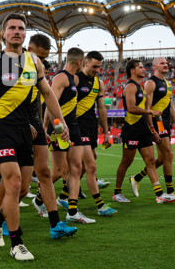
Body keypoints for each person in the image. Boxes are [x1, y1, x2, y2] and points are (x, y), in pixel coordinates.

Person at [0, 14, 69, 261]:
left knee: (24, 188)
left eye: (21, 28)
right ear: (3, 34)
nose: (17, 31)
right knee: (14, 183)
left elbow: (48, 95)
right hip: (1, 129)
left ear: (25, 34)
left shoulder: (34, 62)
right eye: (12, 28)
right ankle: (17, 243)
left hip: (27, 131)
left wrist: (60, 122)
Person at [26, 34, 79, 237]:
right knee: (19, 184)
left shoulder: (38, 73)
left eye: (44, 58)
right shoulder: (13, 69)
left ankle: (56, 224)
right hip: (15, 127)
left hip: (36, 127)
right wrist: (31, 124)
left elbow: (43, 100)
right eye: (39, 56)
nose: (41, 61)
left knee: (47, 173)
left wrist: (42, 127)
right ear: (30, 51)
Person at [112, 59, 175, 204]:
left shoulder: (140, 87)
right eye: (140, 67)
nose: (143, 69)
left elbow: (144, 109)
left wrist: (152, 128)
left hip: (143, 129)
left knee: (150, 161)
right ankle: (117, 192)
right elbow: (131, 107)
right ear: (132, 71)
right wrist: (150, 111)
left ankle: (160, 194)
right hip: (131, 129)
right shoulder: (130, 87)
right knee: (126, 161)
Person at [48, 48, 98, 224]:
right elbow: (50, 104)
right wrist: (53, 129)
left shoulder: (74, 79)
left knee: (76, 168)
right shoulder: (61, 77)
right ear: (79, 62)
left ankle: (73, 211)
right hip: (60, 129)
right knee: (58, 171)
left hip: (74, 128)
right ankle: (39, 198)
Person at [129, 57, 175, 201]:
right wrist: (151, 126)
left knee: (162, 159)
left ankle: (136, 178)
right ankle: (170, 191)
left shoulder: (168, 84)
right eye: (162, 63)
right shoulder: (150, 83)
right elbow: (147, 107)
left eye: (166, 63)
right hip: (156, 122)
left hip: (165, 122)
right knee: (169, 154)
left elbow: (171, 107)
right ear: (155, 66)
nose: (166, 65)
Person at [75, 51, 117, 217]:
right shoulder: (76, 79)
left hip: (90, 126)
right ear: (85, 63)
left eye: (99, 67)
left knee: (83, 166)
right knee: (89, 166)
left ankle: (64, 195)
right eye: (94, 66)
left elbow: (101, 108)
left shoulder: (99, 83)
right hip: (77, 126)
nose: (97, 70)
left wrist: (106, 132)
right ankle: (100, 206)